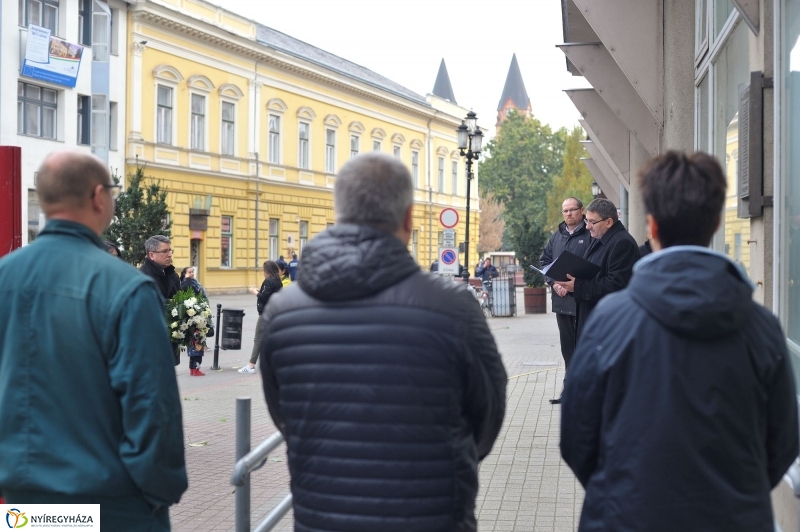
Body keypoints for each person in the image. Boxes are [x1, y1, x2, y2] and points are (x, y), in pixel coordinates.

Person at [259, 153, 507, 531]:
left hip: (323, 516)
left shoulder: (281, 312)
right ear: (407, 217)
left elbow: (286, 416)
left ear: (339, 211)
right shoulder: (452, 307)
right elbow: (487, 416)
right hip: (431, 514)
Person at [561, 151, 799, 532]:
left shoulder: (610, 321)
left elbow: (576, 436)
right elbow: (783, 442)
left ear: (651, 227)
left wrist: (622, 492)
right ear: (718, 222)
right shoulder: (762, 328)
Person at [0, 152, 187, 529]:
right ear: (99, 196)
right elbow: (153, 409)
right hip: (111, 501)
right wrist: (157, 495)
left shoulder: (5, 276)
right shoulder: (127, 288)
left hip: (22, 505)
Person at [554, 198, 639, 338]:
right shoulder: (600, 238)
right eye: (586, 221)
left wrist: (579, 286)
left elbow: (617, 285)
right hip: (596, 321)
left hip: (609, 327)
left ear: (609, 222)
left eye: (592, 222)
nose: (587, 227)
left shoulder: (622, 243)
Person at [540, 197, 591, 404]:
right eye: (565, 211)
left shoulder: (590, 234)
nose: (568, 214)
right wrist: (553, 283)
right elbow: (545, 262)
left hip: (583, 301)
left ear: (582, 210)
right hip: (562, 302)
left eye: (572, 210)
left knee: (584, 348)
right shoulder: (557, 236)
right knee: (568, 348)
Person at [240, 261, 283, 374]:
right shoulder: (278, 281)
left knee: (258, 338)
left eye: (264, 270)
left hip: (265, 313)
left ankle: (251, 365)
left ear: (267, 271)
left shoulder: (268, 280)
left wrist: (255, 292)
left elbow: (265, 297)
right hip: (274, 312)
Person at [180, 266, 208, 376]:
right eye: (189, 272)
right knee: (196, 344)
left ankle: (194, 368)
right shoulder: (185, 283)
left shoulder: (194, 282)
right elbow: (184, 291)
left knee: (196, 343)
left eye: (192, 272)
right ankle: (194, 368)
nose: (192, 273)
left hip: (199, 317)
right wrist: (187, 279)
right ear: (184, 274)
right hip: (192, 319)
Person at [140, 235, 180, 301]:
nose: (170, 255)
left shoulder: (173, 275)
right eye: (164, 251)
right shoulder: (143, 278)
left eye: (170, 250)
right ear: (152, 255)